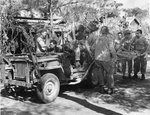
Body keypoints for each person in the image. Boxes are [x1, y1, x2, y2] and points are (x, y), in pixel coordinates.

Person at [94, 26, 116, 94]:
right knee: (109, 73)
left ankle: (102, 88)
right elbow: (112, 49)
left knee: (100, 73)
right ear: (107, 31)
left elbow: (92, 47)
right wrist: (115, 57)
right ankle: (110, 88)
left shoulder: (97, 38)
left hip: (97, 59)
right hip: (105, 58)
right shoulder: (109, 38)